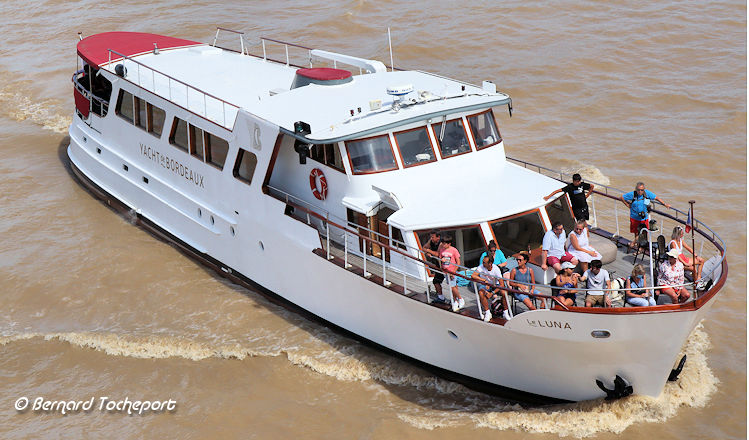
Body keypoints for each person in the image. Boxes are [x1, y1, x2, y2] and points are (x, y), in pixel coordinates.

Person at [621, 182, 670, 247]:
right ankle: (638, 246)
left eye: (642, 190)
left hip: (644, 217)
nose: (640, 191)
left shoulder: (647, 193)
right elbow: (622, 197)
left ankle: (635, 244)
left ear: (644, 189)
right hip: (634, 217)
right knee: (636, 233)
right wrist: (627, 205)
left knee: (644, 233)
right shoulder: (633, 194)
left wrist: (665, 204)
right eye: (638, 190)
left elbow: (657, 198)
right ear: (636, 189)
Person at [471, 255, 511, 321]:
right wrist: (484, 280)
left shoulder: (496, 270)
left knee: (504, 293)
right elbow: (473, 275)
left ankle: (505, 312)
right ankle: (487, 312)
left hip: (495, 285)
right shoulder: (481, 267)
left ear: (490, 264)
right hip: (485, 285)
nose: (482, 263)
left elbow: (502, 284)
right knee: (481, 293)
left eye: (484, 262)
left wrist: (492, 293)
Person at [439, 235, 465, 312]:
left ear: (449, 243)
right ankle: (455, 301)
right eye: (442, 243)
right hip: (446, 271)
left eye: (445, 243)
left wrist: (453, 272)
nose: (443, 245)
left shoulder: (454, 250)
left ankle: (460, 299)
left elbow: (458, 262)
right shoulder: (442, 250)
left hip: (452, 271)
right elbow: (441, 258)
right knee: (454, 287)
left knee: (452, 287)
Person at [422, 230, 446, 303]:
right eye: (431, 237)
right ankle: (440, 296)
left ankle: (442, 297)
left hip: (443, 266)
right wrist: (427, 252)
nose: (431, 239)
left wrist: (429, 251)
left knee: (437, 281)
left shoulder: (441, 244)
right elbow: (424, 248)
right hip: (437, 265)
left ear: (438, 237)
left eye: (433, 237)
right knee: (436, 281)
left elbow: (438, 254)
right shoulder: (431, 241)